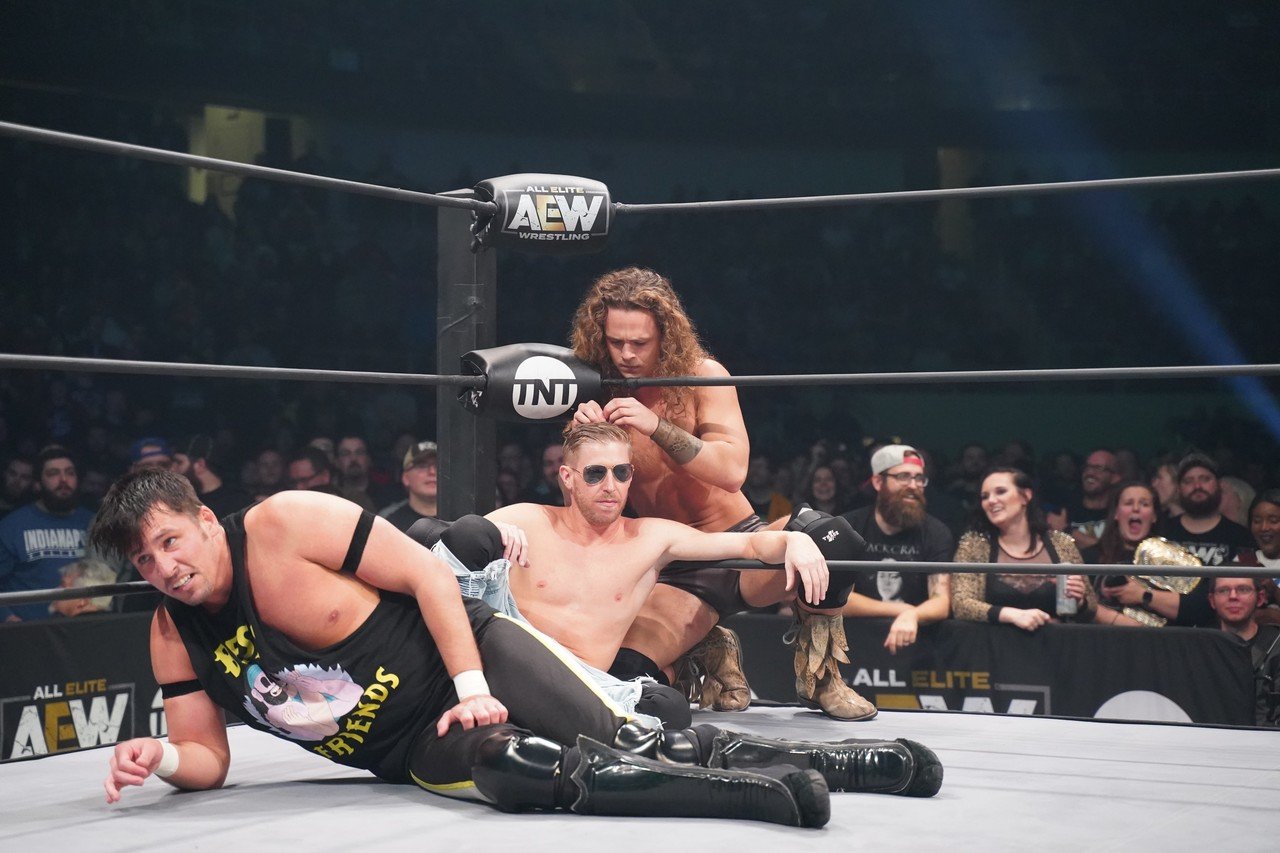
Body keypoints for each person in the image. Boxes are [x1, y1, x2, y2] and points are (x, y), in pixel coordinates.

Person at [89, 470, 941, 825]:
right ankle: (749, 795)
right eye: (145, 561)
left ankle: (845, 763)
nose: (164, 568)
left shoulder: (284, 525)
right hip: (412, 745)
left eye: (171, 541)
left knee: (630, 732)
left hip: (471, 656)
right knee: (517, 769)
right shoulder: (172, 632)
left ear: (205, 520)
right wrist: (161, 755)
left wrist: (470, 682)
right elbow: (208, 757)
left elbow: (428, 573)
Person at [571, 267, 875, 721]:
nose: (628, 354)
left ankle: (821, 675)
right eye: (616, 342)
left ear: (665, 336)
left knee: (834, 537)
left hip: (743, 547)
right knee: (626, 677)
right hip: (676, 567)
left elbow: (732, 471)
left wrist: (656, 426)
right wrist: (583, 440)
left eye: (640, 343)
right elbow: (586, 504)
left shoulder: (702, 376)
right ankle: (707, 646)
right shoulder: (596, 390)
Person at [951, 468, 1099, 631]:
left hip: (1054, 643)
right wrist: (1010, 615)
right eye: (985, 496)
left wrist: (1080, 602)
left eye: (1000, 492)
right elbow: (961, 604)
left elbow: (1091, 610)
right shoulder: (974, 544)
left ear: (1025, 496)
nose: (991, 501)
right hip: (993, 644)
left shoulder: (1061, 543)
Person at [840, 445, 952, 654]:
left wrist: (913, 615)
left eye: (919, 478)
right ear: (878, 482)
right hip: (853, 644)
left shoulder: (936, 532)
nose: (913, 485)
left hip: (916, 646)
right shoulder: (849, 527)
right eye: (903, 477)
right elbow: (840, 599)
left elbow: (941, 601)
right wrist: (902, 610)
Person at [1151, 453, 1254, 627]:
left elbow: (1251, 588)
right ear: (1178, 489)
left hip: (1221, 632)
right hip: (1169, 631)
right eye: (1188, 481)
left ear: (1219, 485)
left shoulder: (1241, 536)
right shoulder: (1161, 532)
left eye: (1205, 479)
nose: (1197, 486)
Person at [0, 445, 96, 621]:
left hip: (85, 627)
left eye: (70, 473)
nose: (63, 479)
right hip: (27, 630)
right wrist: (8, 618)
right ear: (38, 484)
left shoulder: (94, 523)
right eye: (53, 474)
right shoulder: (12, 526)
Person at [1206, 576, 1280, 726]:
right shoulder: (1199, 647)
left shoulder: (1277, 645)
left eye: (1243, 589)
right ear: (1212, 600)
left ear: (1260, 598)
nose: (1233, 596)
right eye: (1224, 590)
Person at [173, 434, 251, 519]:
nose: (173, 468)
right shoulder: (183, 501)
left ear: (200, 465)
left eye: (179, 462)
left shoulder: (238, 503)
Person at [1066, 448, 1120, 549]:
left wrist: (1068, 532)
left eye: (1098, 468)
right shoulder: (1067, 509)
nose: (1090, 473)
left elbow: (1113, 554)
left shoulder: (1119, 514)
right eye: (1087, 467)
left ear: (1114, 478)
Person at [383, 441, 439, 532]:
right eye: (422, 466)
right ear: (405, 478)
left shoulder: (461, 519)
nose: (432, 472)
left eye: (438, 466)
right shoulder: (388, 523)